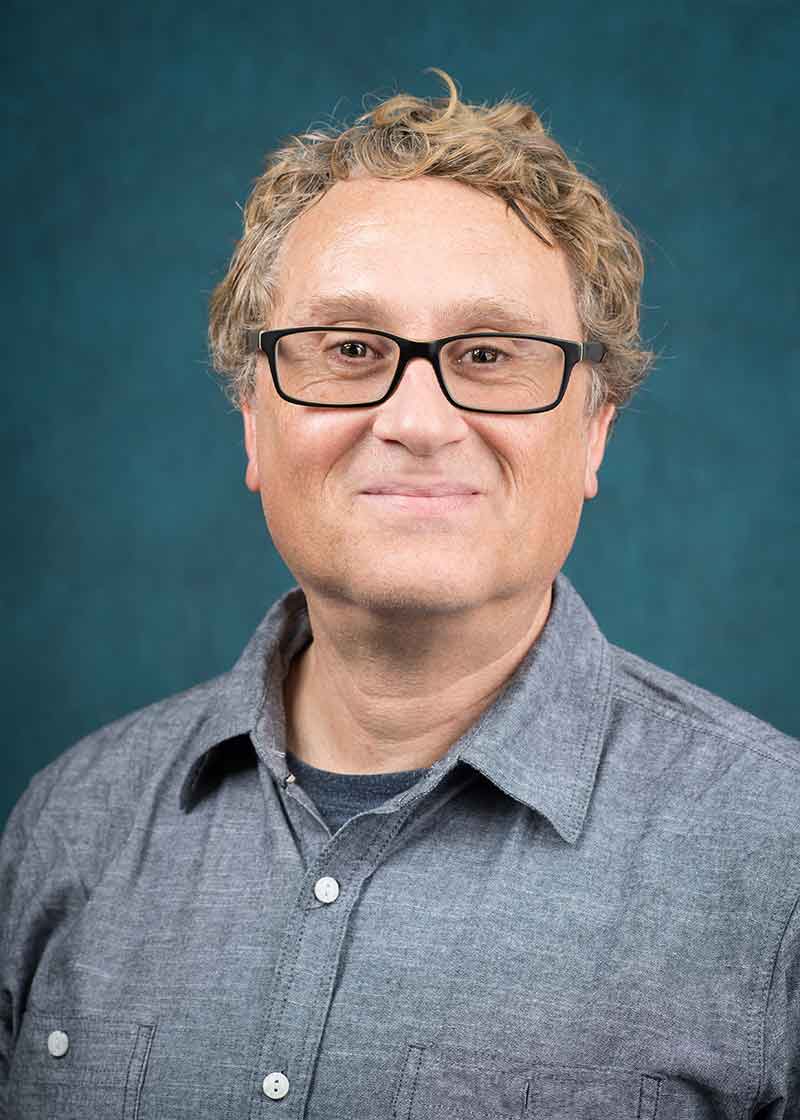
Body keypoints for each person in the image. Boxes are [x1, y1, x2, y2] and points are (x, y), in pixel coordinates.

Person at [1, 69, 798, 1120]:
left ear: (593, 428)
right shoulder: (68, 825)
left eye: (486, 353)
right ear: (251, 417)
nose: (417, 418)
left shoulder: (775, 854)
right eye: (348, 349)